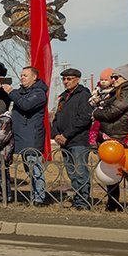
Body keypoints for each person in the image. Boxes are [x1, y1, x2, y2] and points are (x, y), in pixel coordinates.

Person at [91, 64, 128, 211]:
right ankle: (113, 203)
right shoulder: (116, 92)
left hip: (122, 137)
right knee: (111, 174)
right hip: (111, 137)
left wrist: (96, 113)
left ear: (124, 78)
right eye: (112, 77)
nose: (113, 79)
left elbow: (111, 112)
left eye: (116, 77)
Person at [0, 66, 49, 205]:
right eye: (21, 75)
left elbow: (26, 105)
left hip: (31, 137)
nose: (22, 77)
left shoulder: (39, 93)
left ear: (34, 78)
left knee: (36, 169)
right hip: (22, 136)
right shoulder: (21, 92)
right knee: (29, 169)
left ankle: (39, 198)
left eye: (25, 75)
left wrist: (11, 91)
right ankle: (34, 196)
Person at [51, 68, 93, 210]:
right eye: (64, 79)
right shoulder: (63, 97)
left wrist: (66, 135)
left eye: (69, 79)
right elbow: (57, 118)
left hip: (78, 140)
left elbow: (84, 119)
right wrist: (56, 134)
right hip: (64, 142)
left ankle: (83, 202)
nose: (66, 82)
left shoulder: (83, 95)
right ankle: (78, 198)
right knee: (71, 173)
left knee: (81, 172)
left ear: (77, 79)